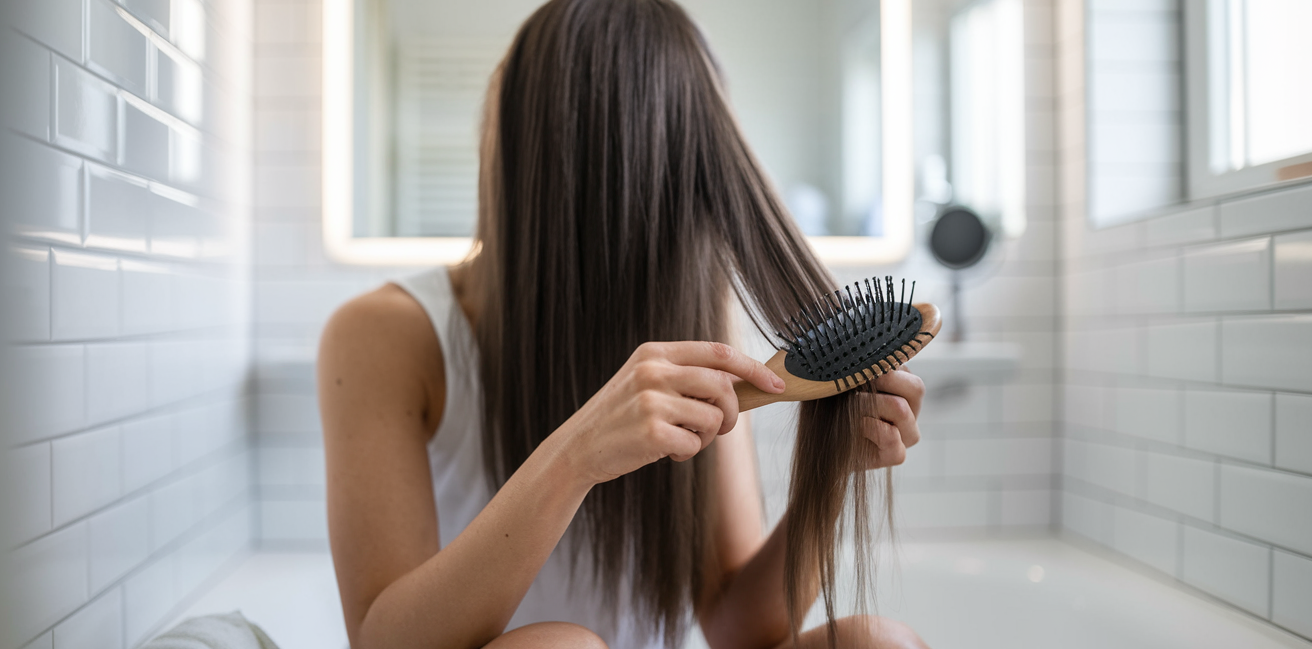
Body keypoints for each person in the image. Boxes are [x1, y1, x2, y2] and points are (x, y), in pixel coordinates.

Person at [317, 1, 928, 647]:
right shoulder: (385, 334)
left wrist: (826, 479)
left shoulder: (697, 321)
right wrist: (575, 457)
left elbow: (737, 628)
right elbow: (382, 640)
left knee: (878, 641)